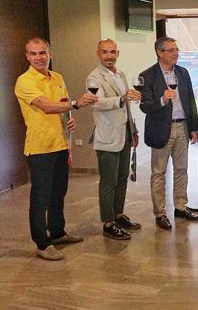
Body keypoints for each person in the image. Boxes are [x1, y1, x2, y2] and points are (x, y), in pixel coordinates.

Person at [14, 37, 97, 260]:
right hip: (40, 147)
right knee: (40, 197)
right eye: (34, 54)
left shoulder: (57, 77)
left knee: (58, 192)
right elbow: (45, 106)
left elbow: (62, 103)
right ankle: (42, 243)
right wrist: (75, 104)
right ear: (27, 57)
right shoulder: (25, 81)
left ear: (49, 53)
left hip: (61, 144)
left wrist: (69, 118)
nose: (39, 57)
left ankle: (58, 233)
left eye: (42, 53)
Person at [139, 37, 198, 230]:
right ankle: (160, 213)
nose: (176, 53)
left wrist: (194, 127)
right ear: (159, 52)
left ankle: (180, 207)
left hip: (182, 127)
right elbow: (144, 106)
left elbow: (190, 101)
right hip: (160, 129)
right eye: (171, 50)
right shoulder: (147, 76)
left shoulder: (182, 73)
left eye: (177, 50)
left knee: (182, 170)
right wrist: (163, 100)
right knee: (159, 173)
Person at [87, 39, 142, 240]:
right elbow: (96, 102)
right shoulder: (94, 77)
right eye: (105, 52)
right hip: (107, 136)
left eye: (112, 52)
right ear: (98, 54)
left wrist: (133, 130)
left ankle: (118, 215)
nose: (109, 56)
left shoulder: (121, 75)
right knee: (108, 181)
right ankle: (108, 223)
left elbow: (127, 106)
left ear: (117, 53)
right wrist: (121, 98)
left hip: (125, 134)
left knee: (121, 178)